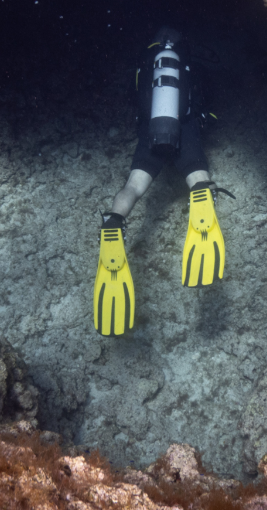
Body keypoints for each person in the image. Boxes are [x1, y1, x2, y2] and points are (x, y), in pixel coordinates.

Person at [93, 27, 229, 336]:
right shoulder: (187, 63)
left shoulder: (148, 64)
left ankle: (114, 221)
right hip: (185, 128)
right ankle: (203, 199)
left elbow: (136, 100)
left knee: (133, 187)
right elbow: (202, 97)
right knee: (197, 178)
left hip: (152, 132)